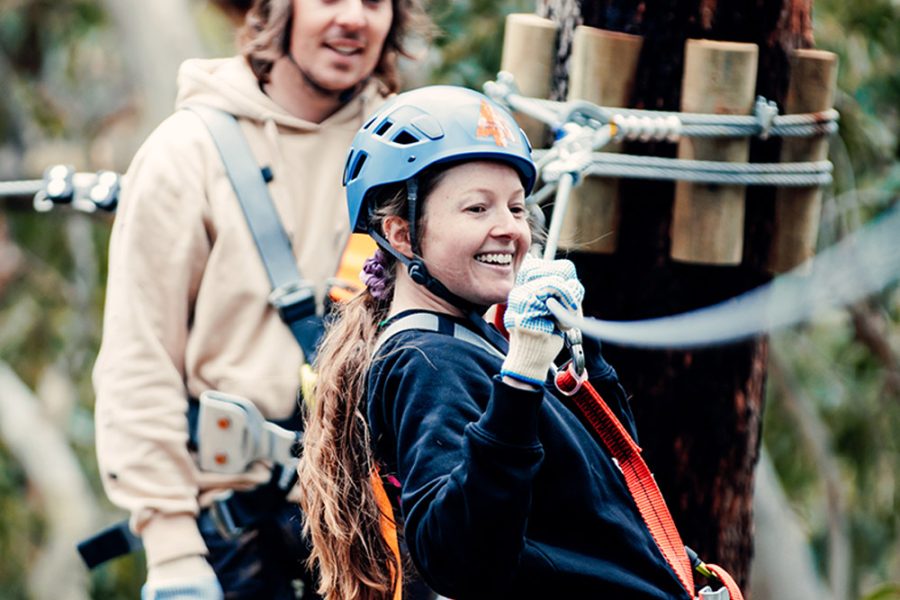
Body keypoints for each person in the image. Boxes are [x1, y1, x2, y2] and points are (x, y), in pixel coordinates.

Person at [297, 85, 695, 599]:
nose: (509, 228)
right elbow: (461, 561)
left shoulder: (472, 342)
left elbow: (606, 492)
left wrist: (578, 350)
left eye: (514, 208)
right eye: (477, 209)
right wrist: (524, 372)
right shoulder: (428, 362)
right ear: (400, 235)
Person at [92, 0, 427, 598]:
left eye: (376, 1)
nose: (353, 17)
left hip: (384, 525)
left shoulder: (420, 152)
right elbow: (138, 363)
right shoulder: (188, 153)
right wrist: (172, 554)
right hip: (239, 537)